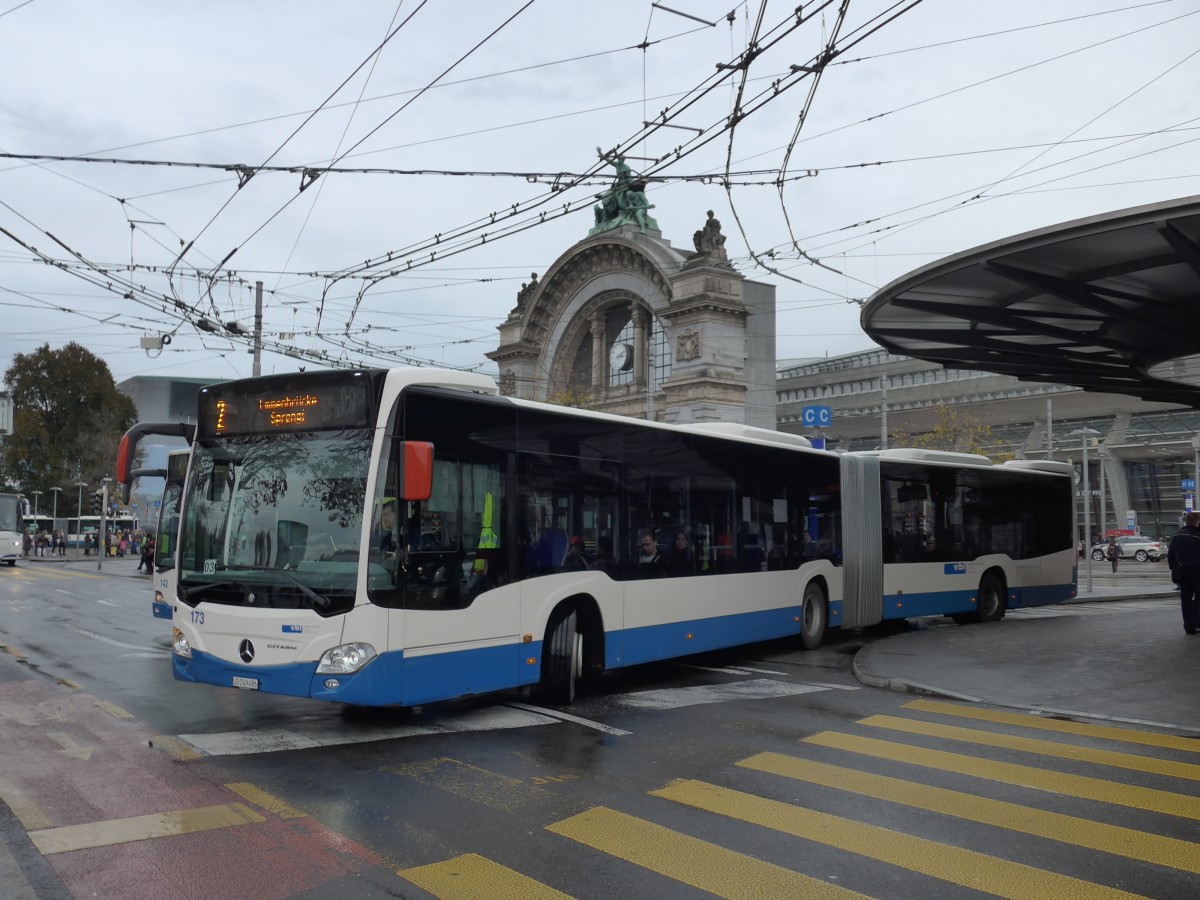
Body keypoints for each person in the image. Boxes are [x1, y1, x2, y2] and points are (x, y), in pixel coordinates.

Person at [1168, 512, 1200, 635]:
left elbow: (1171, 555)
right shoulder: (1198, 535)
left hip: (1182, 572)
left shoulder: (1177, 535)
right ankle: (1197, 623)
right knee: (1199, 598)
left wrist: (1174, 568)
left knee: (1185, 599)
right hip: (1197, 571)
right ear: (1196, 521)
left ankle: (1188, 627)